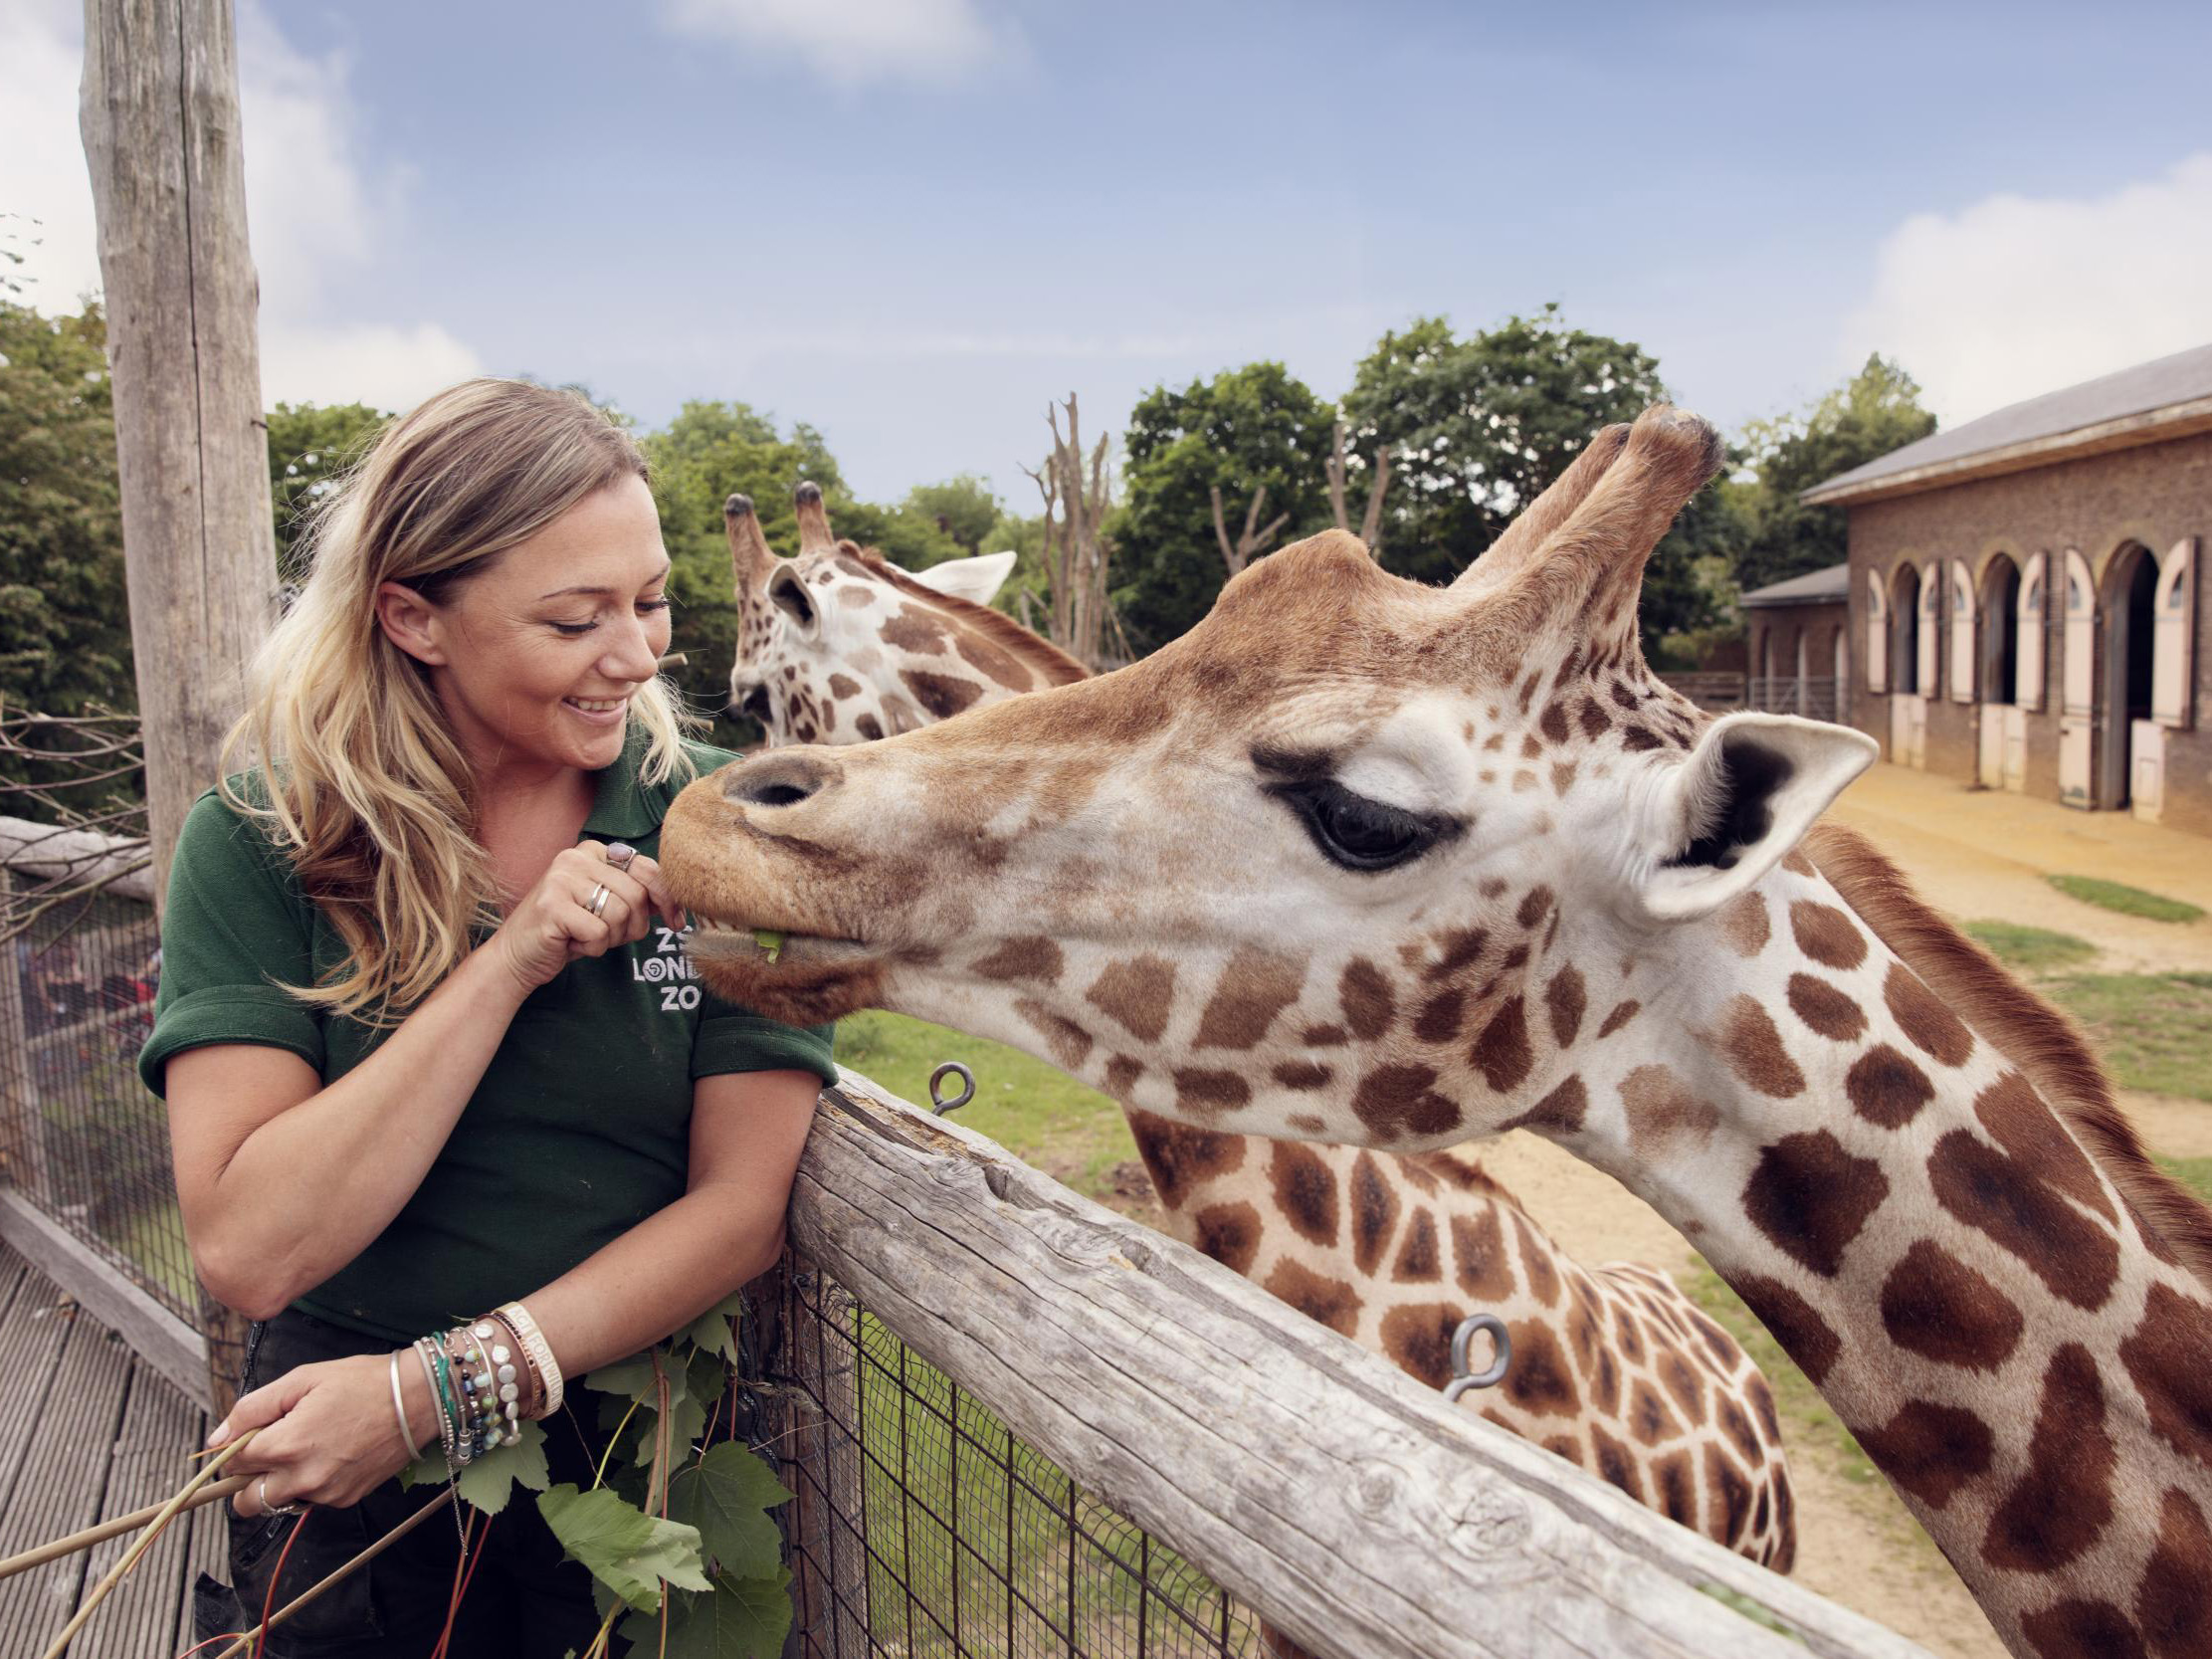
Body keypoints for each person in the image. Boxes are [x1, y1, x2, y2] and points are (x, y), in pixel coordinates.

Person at [138, 379, 833, 1655]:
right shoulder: (264, 838)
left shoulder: (718, 829)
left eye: (650, 598)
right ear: (413, 615)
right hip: (337, 1444)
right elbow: (248, 1245)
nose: (638, 654)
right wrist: (508, 960)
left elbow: (740, 1205)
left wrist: (438, 1392)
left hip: (638, 1441)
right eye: (575, 619)